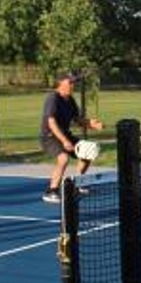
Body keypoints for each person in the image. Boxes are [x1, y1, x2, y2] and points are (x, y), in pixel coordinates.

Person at [41, 71, 105, 203]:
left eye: (73, 82)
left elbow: (78, 120)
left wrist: (92, 124)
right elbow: (51, 122)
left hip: (65, 134)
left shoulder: (70, 100)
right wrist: (64, 141)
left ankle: (78, 183)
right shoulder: (53, 98)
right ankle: (51, 191)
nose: (73, 85)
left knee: (88, 152)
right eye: (70, 82)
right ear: (60, 83)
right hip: (50, 137)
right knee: (63, 158)